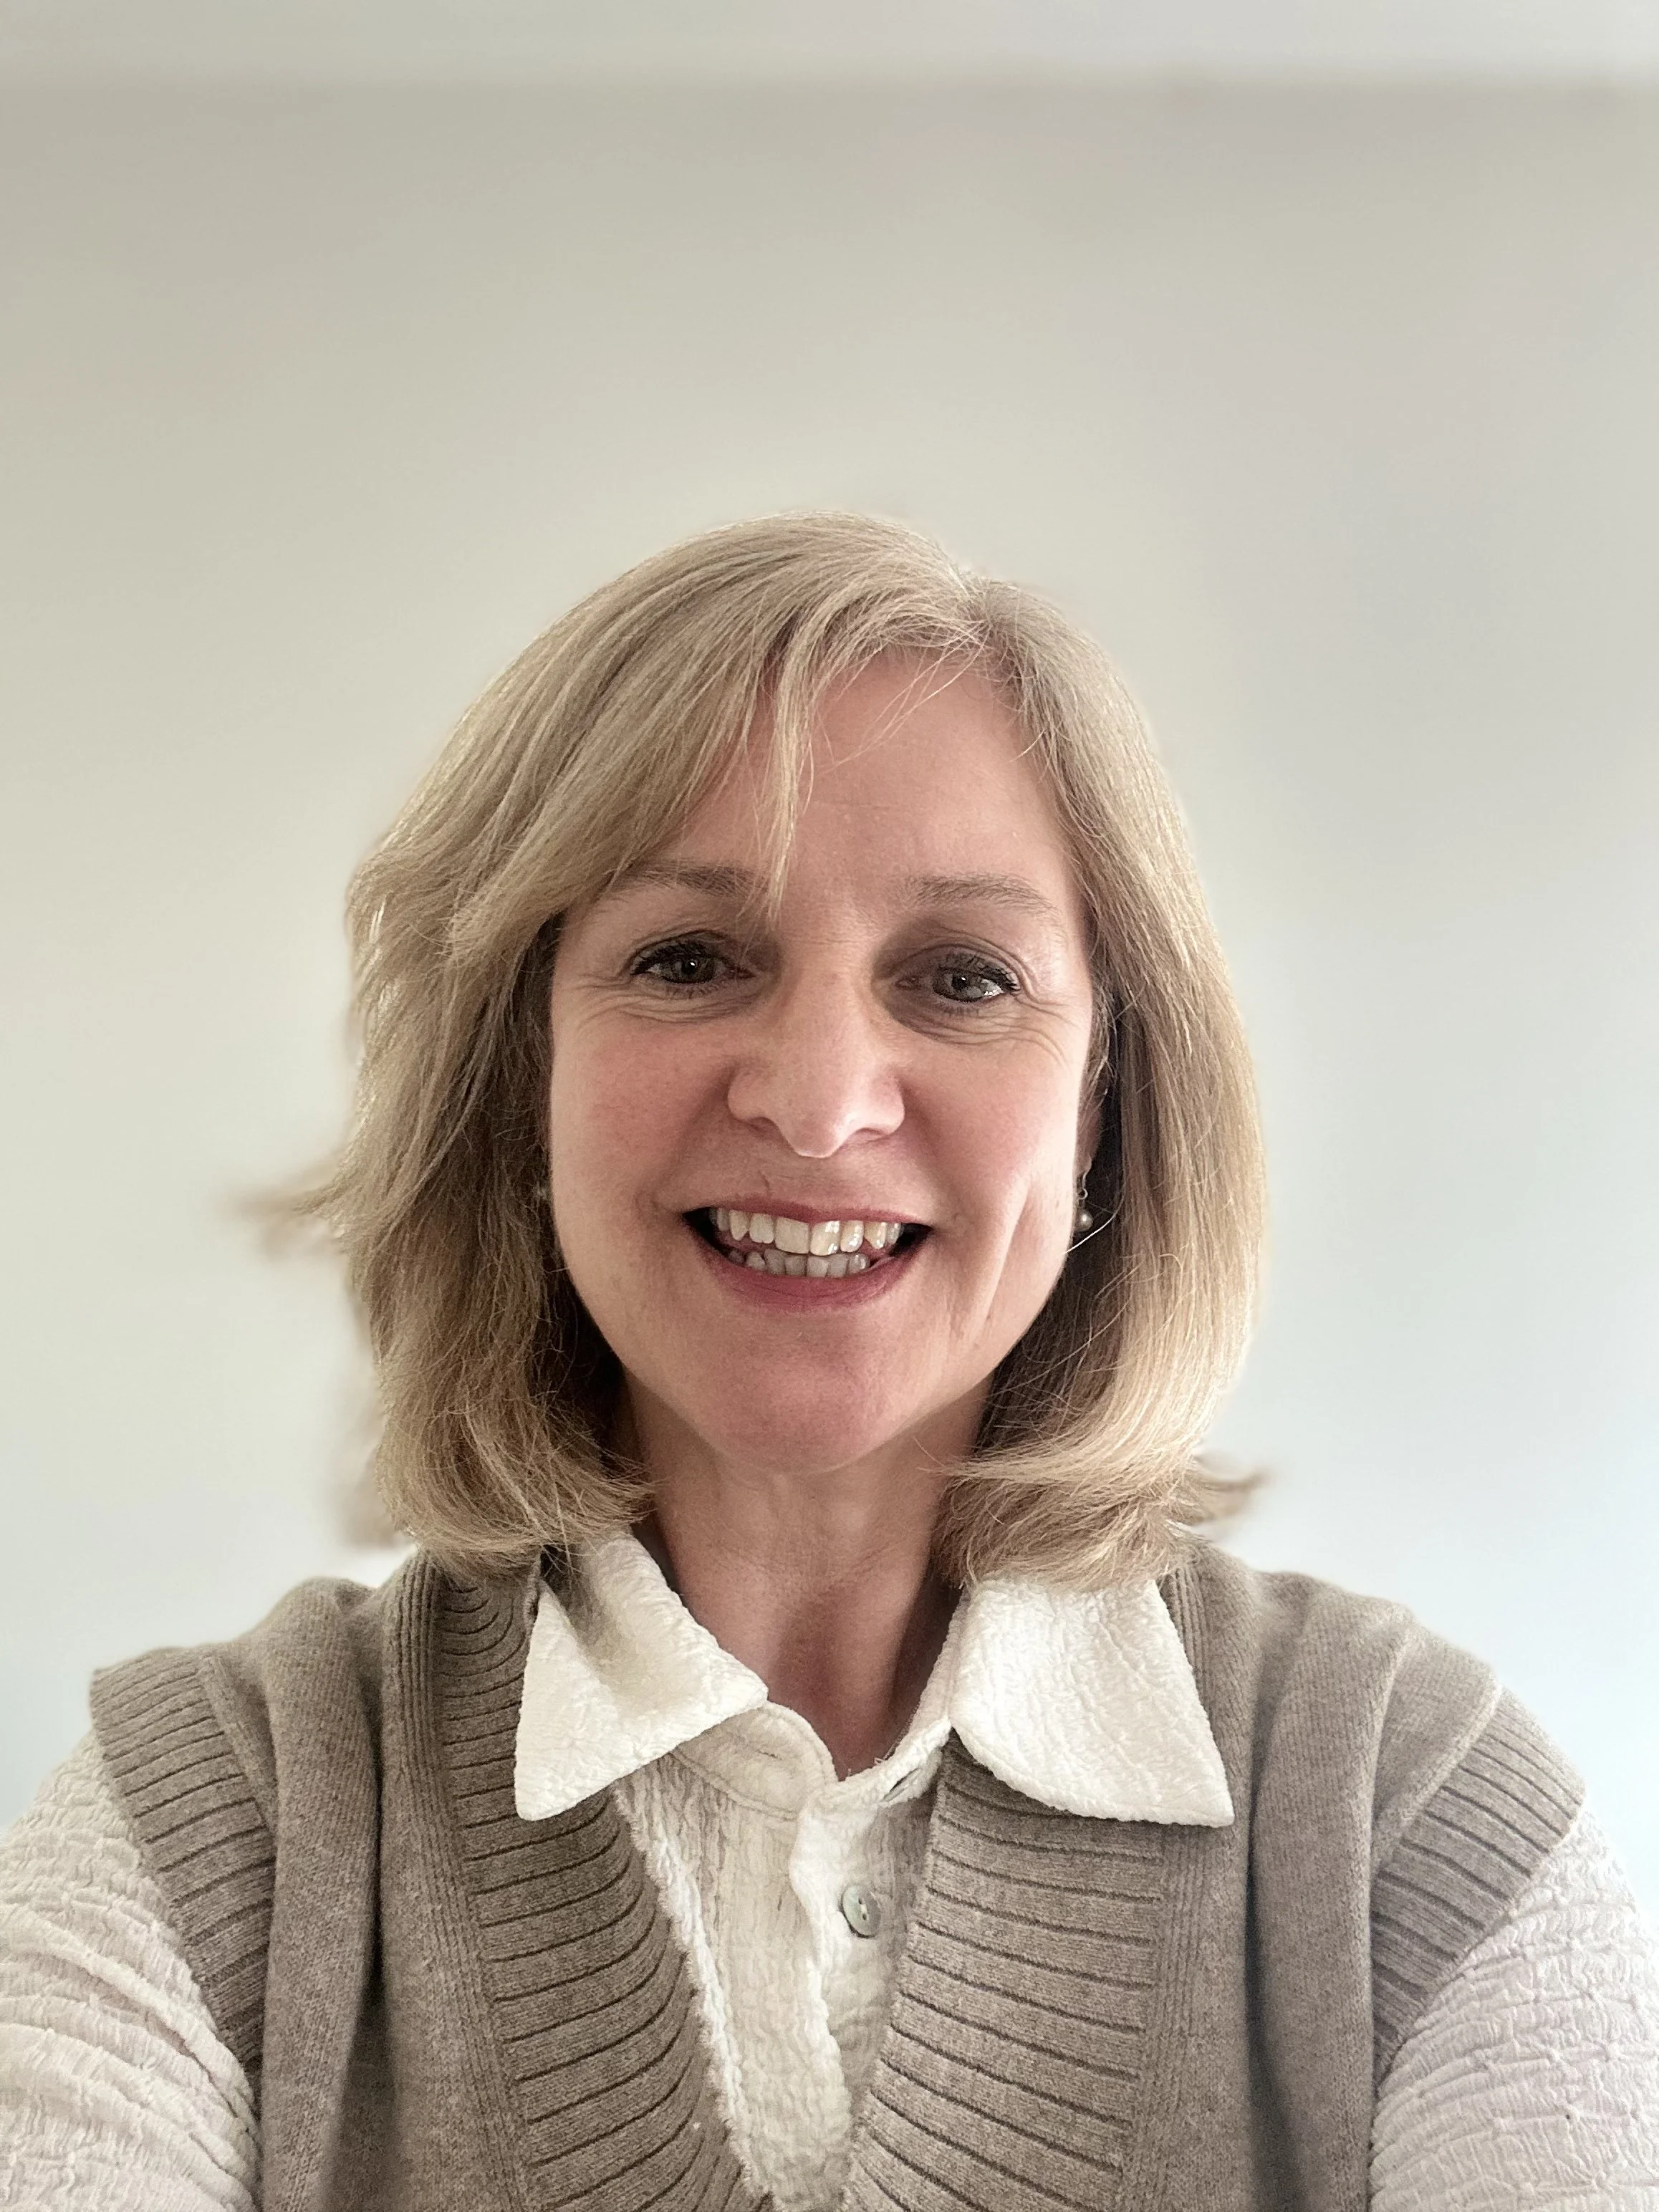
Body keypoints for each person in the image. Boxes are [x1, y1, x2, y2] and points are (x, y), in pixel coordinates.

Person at [1, 512, 1655, 2211]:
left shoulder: (1407, 1804)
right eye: (688, 959)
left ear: (1104, 1108)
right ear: (525, 1078)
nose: (816, 1096)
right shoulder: (217, 1817)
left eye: (960, 977)